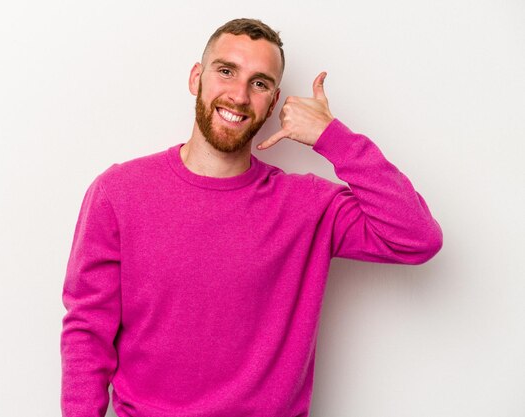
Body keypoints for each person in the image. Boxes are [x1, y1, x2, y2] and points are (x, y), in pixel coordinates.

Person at [60, 18, 442, 417]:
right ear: (196, 78)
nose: (239, 95)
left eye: (259, 83)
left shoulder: (307, 206)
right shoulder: (119, 192)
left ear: (273, 103)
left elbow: (417, 238)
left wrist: (333, 138)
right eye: (226, 71)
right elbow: (87, 332)